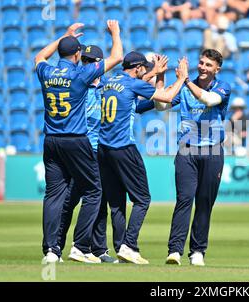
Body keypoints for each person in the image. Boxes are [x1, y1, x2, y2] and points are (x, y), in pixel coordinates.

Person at [35, 20, 124, 264]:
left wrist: (63, 36)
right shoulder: (80, 73)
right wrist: (115, 32)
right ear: (77, 54)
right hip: (75, 140)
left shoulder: (46, 71)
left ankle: (52, 251)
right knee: (94, 190)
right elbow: (117, 56)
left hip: (51, 140)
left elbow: (40, 56)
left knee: (53, 196)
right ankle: (80, 247)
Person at [97, 51, 188, 264]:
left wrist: (157, 74)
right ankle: (129, 246)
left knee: (117, 202)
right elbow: (165, 98)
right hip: (123, 148)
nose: (145, 71)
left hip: (103, 149)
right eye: (143, 68)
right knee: (142, 199)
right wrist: (182, 78)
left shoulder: (111, 81)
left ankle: (120, 248)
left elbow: (137, 88)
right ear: (137, 68)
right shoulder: (132, 83)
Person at [151, 49, 231, 266]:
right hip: (187, 150)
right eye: (201, 63)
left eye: (208, 65)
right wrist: (161, 78)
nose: (203, 67)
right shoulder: (186, 85)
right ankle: (175, 250)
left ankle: (197, 251)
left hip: (212, 150)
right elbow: (161, 105)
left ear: (217, 69)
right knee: (184, 199)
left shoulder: (222, 87)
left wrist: (184, 80)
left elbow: (209, 100)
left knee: (204, 203)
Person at [56, 44, 117, 263]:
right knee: (69, 202)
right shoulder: (77, 85)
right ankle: (57, 248)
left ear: (100, 65)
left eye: (92, 62)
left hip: (97, 151)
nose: (87, 65)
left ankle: (98, 250)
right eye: (85, 61)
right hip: (80, 151)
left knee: (99, 202)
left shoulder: (106, 88)